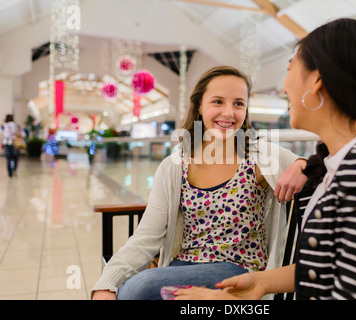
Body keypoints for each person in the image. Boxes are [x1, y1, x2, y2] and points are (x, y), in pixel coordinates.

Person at [174, 18, 356, 300]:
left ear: (316, 81)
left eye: (290, 68)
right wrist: (263, 282)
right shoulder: (342, 162)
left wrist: (225, 304)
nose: (284, 85)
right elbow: (337, 268)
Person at [91, 66, 308, 300]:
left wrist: (303, 164)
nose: (229, 113)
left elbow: (323, 165)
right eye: (217, 102)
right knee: (130, 289)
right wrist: (106, 285)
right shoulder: (175, 166)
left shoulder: (259, 156)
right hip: (182, 266)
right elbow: (146, 237)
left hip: (238, 272)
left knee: (139, 289)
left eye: (238, 104)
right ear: (199, 106)